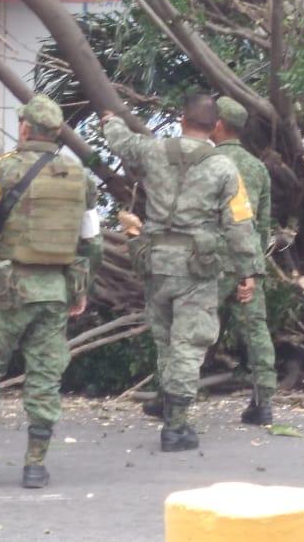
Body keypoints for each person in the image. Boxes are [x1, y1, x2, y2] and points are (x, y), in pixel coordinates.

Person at [0, 95, 101, 489]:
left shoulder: (2, 169)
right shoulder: (80, 175)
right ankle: (35, 465)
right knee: (45, 375)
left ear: (25, 129)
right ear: (57, 133)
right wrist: (80, 289)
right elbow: (92, 242)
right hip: (54, 292)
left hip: (4, 289)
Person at [101, 94, 263, 452]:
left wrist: (110, 119)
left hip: (156, 262)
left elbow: (121, 142)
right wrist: (247, 271)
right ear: (215, 126)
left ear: (180, 118)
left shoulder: (153, 150)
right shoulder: (224, 169)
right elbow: (239, 225)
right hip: (198, 267)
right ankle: (176, 426)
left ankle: (167, 401)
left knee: (165, 341)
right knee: (188, 345)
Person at [211, 96, 277, 425]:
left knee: (188, 328)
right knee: (256, 331)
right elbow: (263, 223)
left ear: (218, 125)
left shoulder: (206, 163)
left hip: (210, 260)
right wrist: (253, 261)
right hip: (248, 261)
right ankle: (263, 402)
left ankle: (171, 399)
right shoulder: (257, 167)